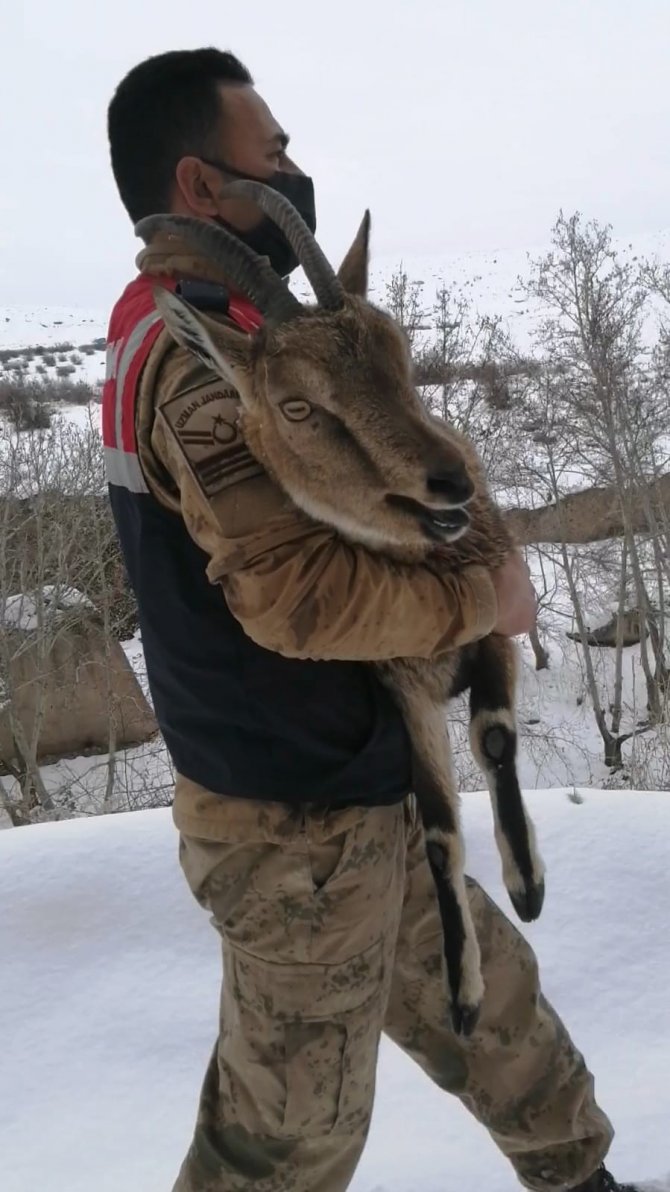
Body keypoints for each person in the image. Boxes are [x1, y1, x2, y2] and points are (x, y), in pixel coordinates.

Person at [105, 47, 640, 1192]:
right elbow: (293, 593)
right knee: (282, 1149)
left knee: (500, 1023)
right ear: (203, 187)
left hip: (364, 798)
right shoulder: (195, 361)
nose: (295, 171)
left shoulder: (249, 322)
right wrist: (476, 597)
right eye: (275, 154)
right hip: (291, 842)